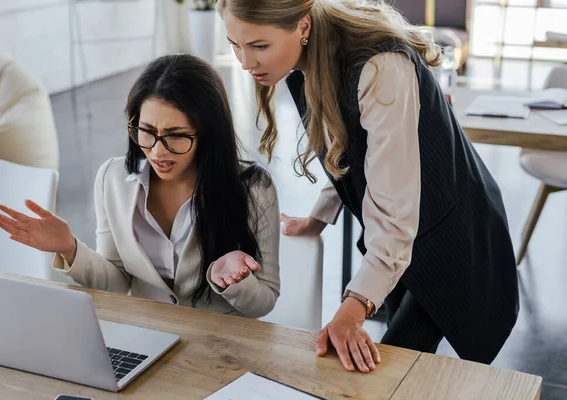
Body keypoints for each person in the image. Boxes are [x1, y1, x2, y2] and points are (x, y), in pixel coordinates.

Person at [218, 0, 519, 372]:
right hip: (400, 239)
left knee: (390, 362)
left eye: (260, 46)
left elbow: (394, 207)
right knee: (395, 364)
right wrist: (319, 216)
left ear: (304, 27)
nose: (246, 62)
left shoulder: (381, 67)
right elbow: (352, 153)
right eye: (235, 45)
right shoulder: (310, 63)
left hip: (453, 235)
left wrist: (354, 306)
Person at [0, 54, 280, 318]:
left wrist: (234, 281)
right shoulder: (112, 179)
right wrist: (70, 248)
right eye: (146, 132)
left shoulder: (254, 188)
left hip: (220, 346)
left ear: (208, 133)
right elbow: (117, 282)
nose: (157, 151)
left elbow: (264, 301)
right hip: (148, 336)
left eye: (176, 136)